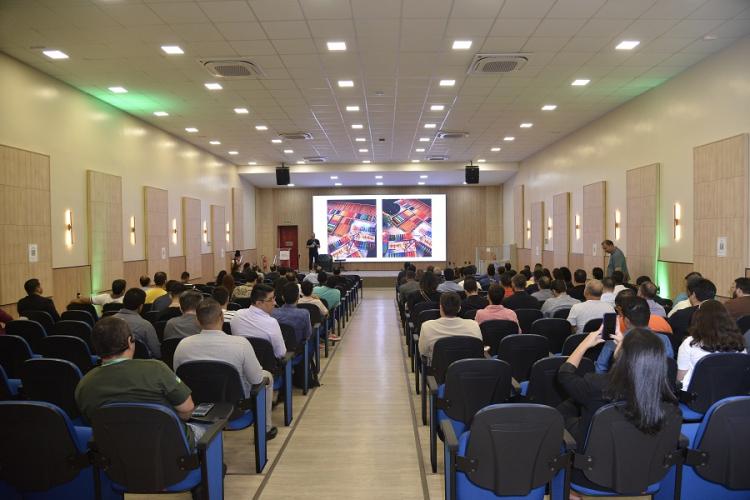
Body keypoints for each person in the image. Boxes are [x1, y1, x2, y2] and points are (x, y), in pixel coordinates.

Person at [75, 317, 200, 445]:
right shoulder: (156, 368)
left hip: (115, 449)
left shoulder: (84, 384)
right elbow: (187, 410)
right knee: (203, 430)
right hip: (166, 445)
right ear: (130, 341)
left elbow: (92, 421)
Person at [556, 327, 678, 448]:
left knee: (564, 410)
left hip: (595, 450)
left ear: (622, 355)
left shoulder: (596, 384)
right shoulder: (665, 392)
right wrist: (626, 346)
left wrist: (584, 344)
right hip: (640, 451)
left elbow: (564, 375)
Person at [173, 299, 276, 439]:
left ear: (197, 321)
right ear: (222, 317)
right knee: (266, 376)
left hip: (197, 407)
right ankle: (265, 429)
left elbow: (179, 382)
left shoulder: (182, 346)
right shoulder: (241, 344)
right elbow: (257, 379)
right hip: (235, 409)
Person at [677, 299, 746, 388]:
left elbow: (680, 379)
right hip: (732, 394)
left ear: (698, 318)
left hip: (696, 395)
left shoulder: (690, 343)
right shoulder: (739, 343)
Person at [595, 296, 674, 373]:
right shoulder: (664, 340)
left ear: (626, 321)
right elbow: (669, 369)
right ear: (649, 316)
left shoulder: (613, 341)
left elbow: (600, 368)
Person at [418, 292, 482, 364]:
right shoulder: (473, 325)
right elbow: (478, 349)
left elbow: (423, 352)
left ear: (441, 307)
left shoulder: (427, 326)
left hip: (439, 368)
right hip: (468, 367)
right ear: (459, 308)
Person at [230, 284, 287, 359]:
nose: (275, 303)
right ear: (258, 303)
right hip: (266, 365)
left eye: (274, 298)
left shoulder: (237, 315)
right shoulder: (271, 323)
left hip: (240, 361)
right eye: (270, 300)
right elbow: (281, 353)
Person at [113, 288, 160, 358]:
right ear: (140, 306)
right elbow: (157, 353)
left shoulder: (108, 322)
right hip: (142, 363)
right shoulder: (146, 325)